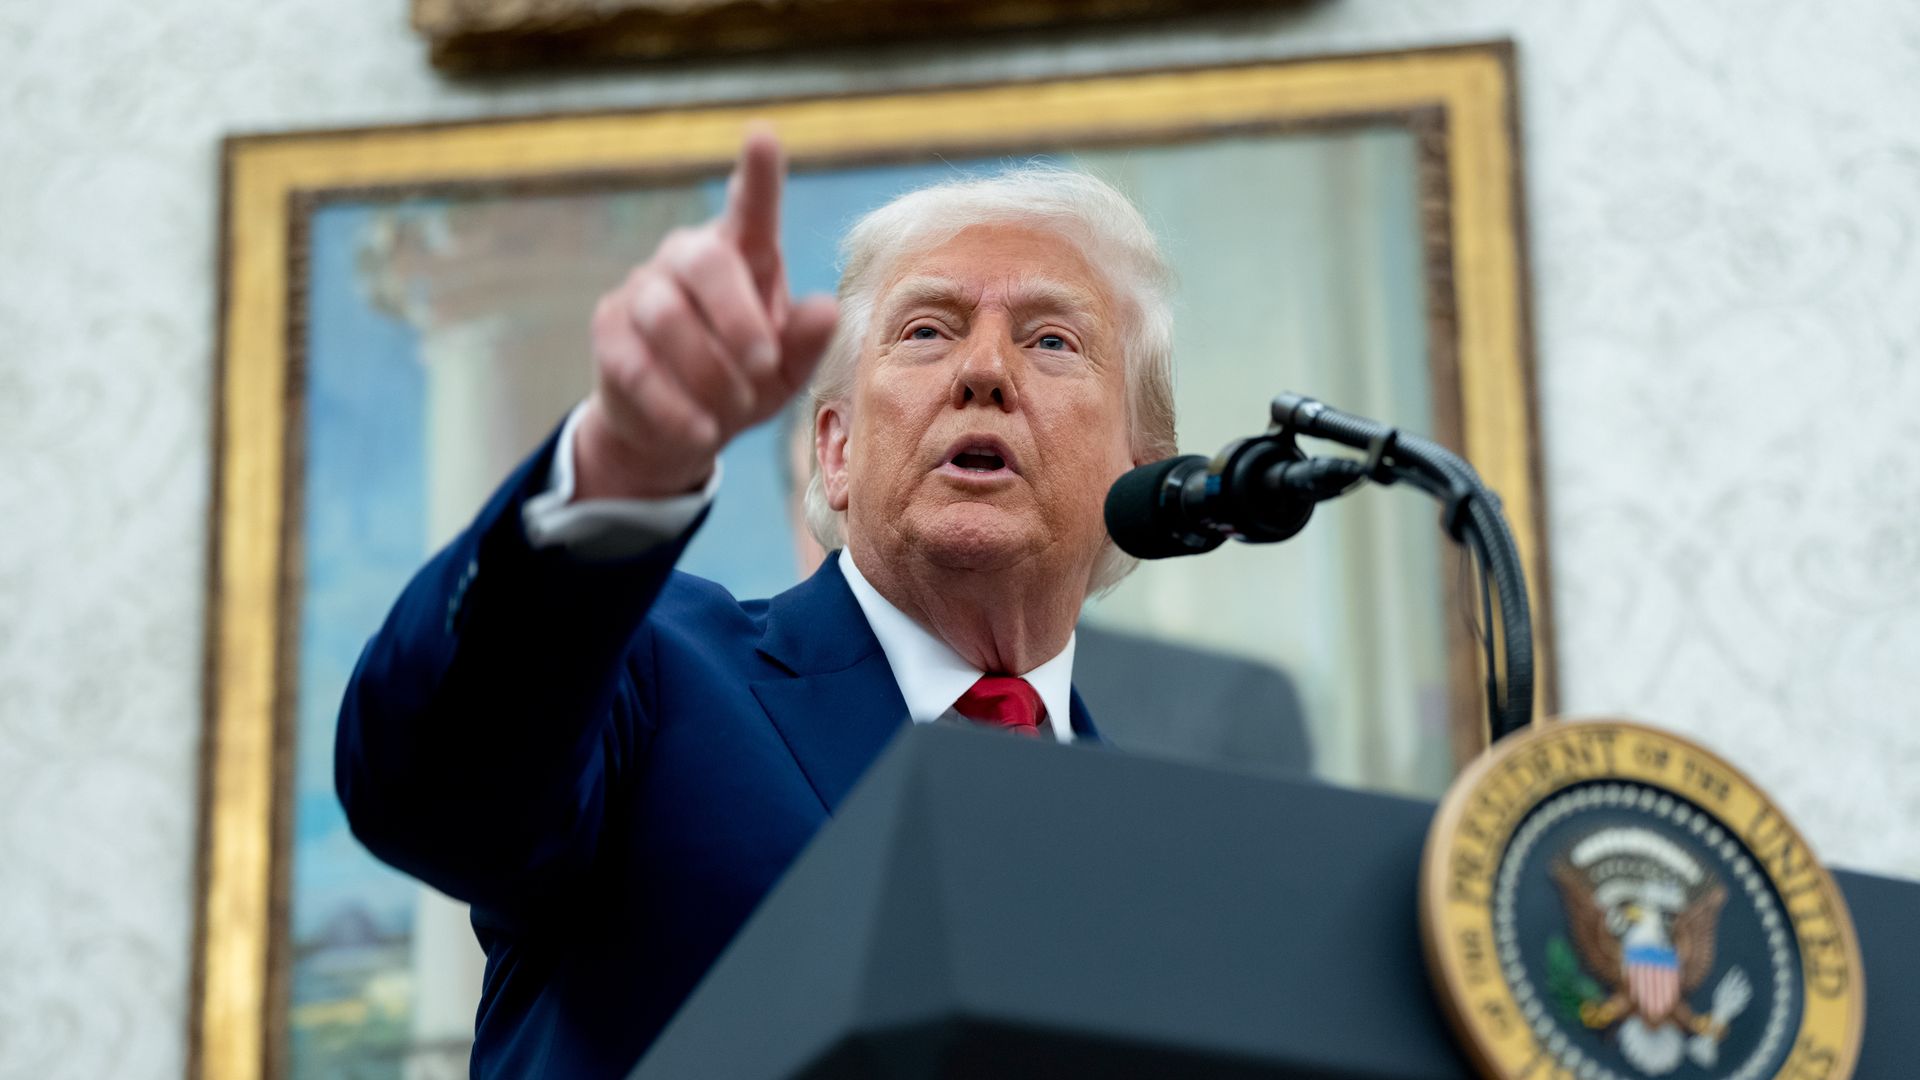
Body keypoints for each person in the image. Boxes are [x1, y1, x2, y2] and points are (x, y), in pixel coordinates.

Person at [335, 125, 1178, 1078]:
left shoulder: (1162, 868)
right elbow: (436, 788)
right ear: (836, 451)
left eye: (1052, 339)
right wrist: (616, 470)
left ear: (1138, 476)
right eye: (927, 330)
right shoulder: (654, 677)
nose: (983, 371)